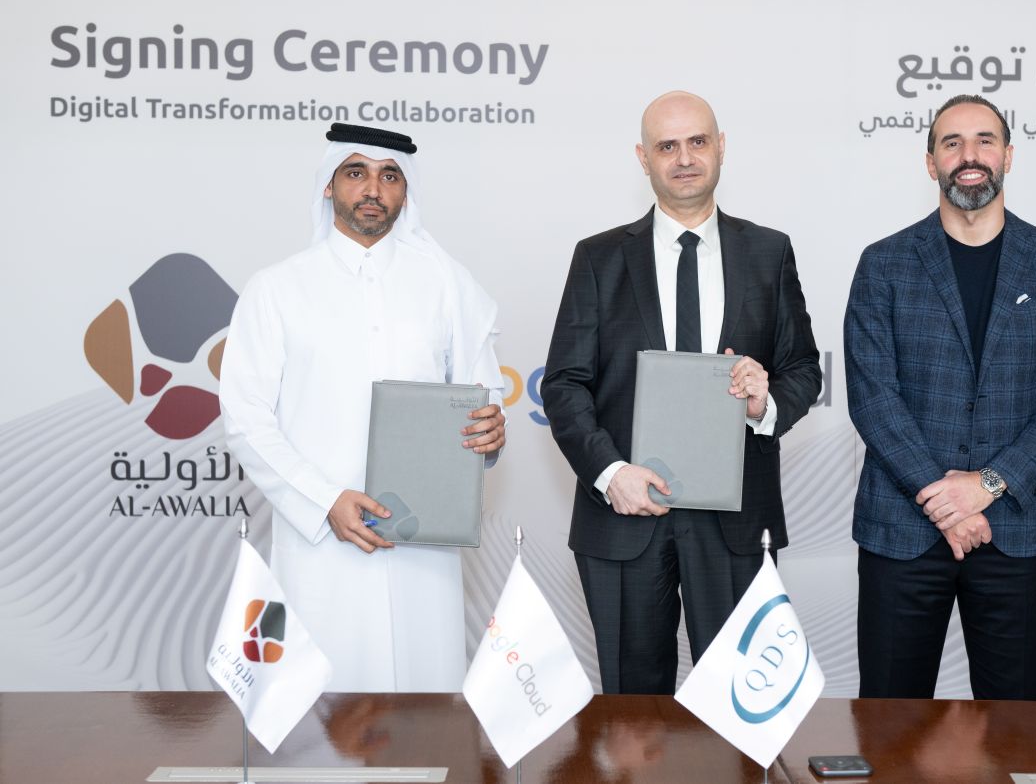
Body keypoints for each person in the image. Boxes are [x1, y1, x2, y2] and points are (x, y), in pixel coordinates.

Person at [541, 91, 822, 694]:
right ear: (643, 158)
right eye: (667, 146)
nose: (685, 158)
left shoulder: (768, 251)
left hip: (736, 520)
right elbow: (564, 384)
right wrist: (611, 473)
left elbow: (803, 368)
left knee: (740, 705)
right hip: (624, 515)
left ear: (721, 147)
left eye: (697, 141)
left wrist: (765, 403)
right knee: (634, 717)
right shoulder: (597, 257)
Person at [219, 123, 506, 692]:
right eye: (357, 173)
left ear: (406, 190)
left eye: (389, 176)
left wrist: (490, 432)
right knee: (326, 718)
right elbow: (246, 420)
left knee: (428, 714)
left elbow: (482, 396)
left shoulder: (448, 285)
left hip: (423, 545)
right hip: (322, 548)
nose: (373, 188)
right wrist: (325, 500)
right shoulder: (276, 289)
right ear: (329, 186)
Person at [844, 94, 1036, 700]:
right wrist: (946, 502)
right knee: (889, 725)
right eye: (951, 143)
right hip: (902, 530)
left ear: (1008, 155)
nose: (969, 155)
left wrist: (985, 486)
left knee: (1015, 726)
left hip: (1017, 529)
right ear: (930, 162)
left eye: (985, 140)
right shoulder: (883, 264)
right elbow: (873, 396)